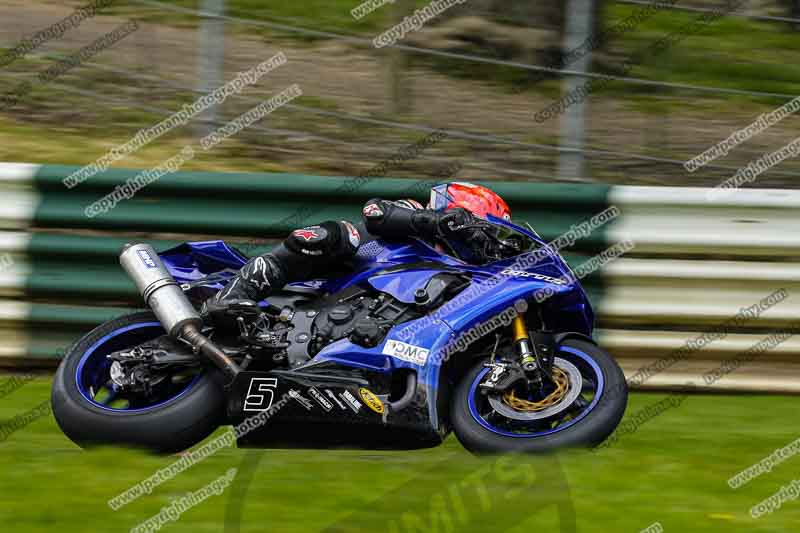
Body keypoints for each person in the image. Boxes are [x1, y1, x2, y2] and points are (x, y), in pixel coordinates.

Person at [202, 182, 514, 322]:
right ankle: (236, 293)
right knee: (341, 234)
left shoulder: (456, 273)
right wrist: (434, 221)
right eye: (484, 229)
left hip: (356, 316)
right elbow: (374, 211)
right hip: (330, 276)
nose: (482, 239)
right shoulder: (415, 214)